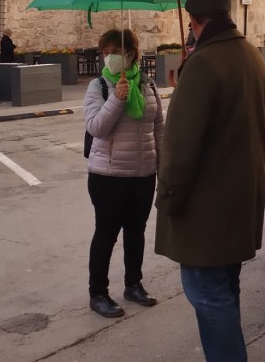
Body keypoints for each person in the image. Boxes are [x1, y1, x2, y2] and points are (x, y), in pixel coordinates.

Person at [155, 0, 265, 362]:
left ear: (195, 21)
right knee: (225, 288)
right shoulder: (248, 53)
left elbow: (180, 146)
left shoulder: (204, 63)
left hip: (208, 205)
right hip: (240, 195)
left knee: (209, 295)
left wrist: (167, 197)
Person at [83, 29, 164, 319]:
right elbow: (96, 128)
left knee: (136, 232)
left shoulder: (148, 85)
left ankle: (133, 284)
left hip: (143, 175)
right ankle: (98, 293)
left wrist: (162, 167)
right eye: (105, 51)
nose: (109, 57)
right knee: (106, 234)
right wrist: (117, 99)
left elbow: (158, 130)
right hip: (108, 176)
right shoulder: (99, 87)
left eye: (115, 51)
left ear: (131, 54)